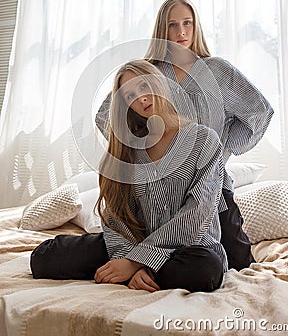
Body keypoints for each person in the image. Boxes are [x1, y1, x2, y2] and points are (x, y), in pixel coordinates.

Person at [95, 0, 274, 271]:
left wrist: (220, 149)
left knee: (240, 265)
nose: (181, 32)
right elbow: (107, 114)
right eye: (173, 25)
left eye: (187, 23)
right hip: (157, 191)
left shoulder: (218, 71)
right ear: (161, 30)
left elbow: (258, 112)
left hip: (210, 186)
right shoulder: (150, 72)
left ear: (196, 26)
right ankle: (141, 264)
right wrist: (143, 153)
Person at [31, 60, 227, 293]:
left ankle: (145, 272)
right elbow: (116, 215)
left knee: (204, 270)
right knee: (45, 258)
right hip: (134, 242)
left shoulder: (204, 140)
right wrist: (126, 256)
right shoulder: (129, 151)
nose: (141, 98)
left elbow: (198, 213)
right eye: (130, 95)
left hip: (192, 248)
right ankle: (142, 273)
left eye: (144, 87)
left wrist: (138, 262)